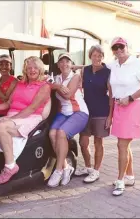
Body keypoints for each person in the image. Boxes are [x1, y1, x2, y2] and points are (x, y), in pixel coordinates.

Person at [0, 56, 51, 184]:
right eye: (29, 68)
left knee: (1, 127)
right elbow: (8, 103)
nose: (32, 70)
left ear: (40, 69)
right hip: (14, 115)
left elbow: (32, 108)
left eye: (35, 68)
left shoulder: (44, 86)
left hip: (30, 117)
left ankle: (10, 166)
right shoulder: (20, 83)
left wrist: (9, 119)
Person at [108, 37, 140, 196]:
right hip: (119, 107)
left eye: (121, 46)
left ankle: (120, 181)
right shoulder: (114, 64)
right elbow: (96, 64)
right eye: (115, 47)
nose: (118, 50)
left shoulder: (137, 64)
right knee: (124, 145)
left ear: (127, 47)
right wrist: (70, 66)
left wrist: (130, 98)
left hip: (132, 107)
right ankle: (130, 176)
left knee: (121, 145)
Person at [47, 52, 89, 187]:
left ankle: (58, 170)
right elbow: (47, 84)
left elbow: (68, 95)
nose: (64, 64)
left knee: (61, 133)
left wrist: (56, 86)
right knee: (52, 133)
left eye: (67, 61)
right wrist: (55, 85)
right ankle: (66, 167)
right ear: (58, 65)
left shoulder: (75, 76)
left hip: (78, 112)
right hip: (63, 113)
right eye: (61, 62)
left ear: (71, 65)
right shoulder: (56, 78)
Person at [75, 45, 113, 184]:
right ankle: (88, 167)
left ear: (103, 57)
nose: (97, 58)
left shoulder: (108, 72)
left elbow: (111, 96)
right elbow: (79, 88)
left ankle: (96, 171)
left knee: (98, 142)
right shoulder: (85, 70)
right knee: (83, 142)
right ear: (90, 56)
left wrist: (110, 116)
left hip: (101, 112)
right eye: (94, 55)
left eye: (99, 56)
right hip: (86, 111)